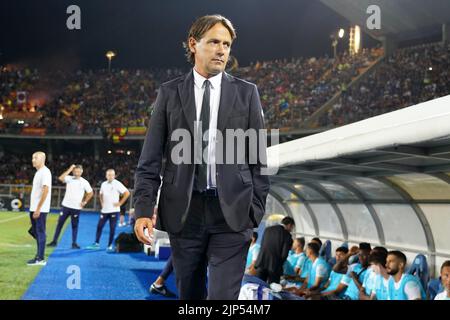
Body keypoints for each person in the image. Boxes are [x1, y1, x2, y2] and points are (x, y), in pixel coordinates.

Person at [133, 14, 270, 300]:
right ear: (193, 44)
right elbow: (150, 159)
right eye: (214, 42)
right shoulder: (169, 93)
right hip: (185, 213)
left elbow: (258, 158)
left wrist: (253, 210)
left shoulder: (247, 93)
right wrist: (144, 210)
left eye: (227, 44)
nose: (222, 50)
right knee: (190, 296)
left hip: (232, 214)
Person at [47, 164, 93, 249]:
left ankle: (74, 243)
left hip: (76, 208)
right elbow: (60, 178)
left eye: (79, 171)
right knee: (60, 224)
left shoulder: (84, 182)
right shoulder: (69, 178)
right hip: (66, 206)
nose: (77, 172)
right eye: (75, 171)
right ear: (73, 171)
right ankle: (54, 241)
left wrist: (85, 202)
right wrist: (70, 168)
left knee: (74, 226)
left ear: (82, 172)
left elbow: (90, 192)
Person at [87, 169, 130, 251]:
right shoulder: (103, 184)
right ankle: (96, 243)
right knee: (99, 226)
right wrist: (102, 203)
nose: (110, 176)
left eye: (112, 175)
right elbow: (101, 194)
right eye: (108, 175)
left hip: (114, 210)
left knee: (112, 228)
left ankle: (110, 245)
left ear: (114, 176)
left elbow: (127, 193)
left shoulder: (117, 184)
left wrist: (120, 203)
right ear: (106, 176)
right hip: (105, 210)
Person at [27, 151, 52, 266]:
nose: (33, 160)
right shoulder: (38, 172)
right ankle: (39, 255)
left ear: (42, 159)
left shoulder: (45, 172)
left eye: (35, 158)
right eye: (32, 158)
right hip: (35, 208)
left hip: (40, 209)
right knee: (34, 231)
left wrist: (38, 208)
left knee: (40, 232)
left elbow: (45, 190)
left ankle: (40, 258)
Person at [254, 217, 295, 284]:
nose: (291, 230)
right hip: (274, 267)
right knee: (273, 289)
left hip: (261, 263)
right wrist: (279, 265)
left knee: (258, 286)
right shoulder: (287, 235)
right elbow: (284, 255)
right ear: (290, 225)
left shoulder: (268, 230)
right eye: (292, 227)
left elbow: (263, 245)